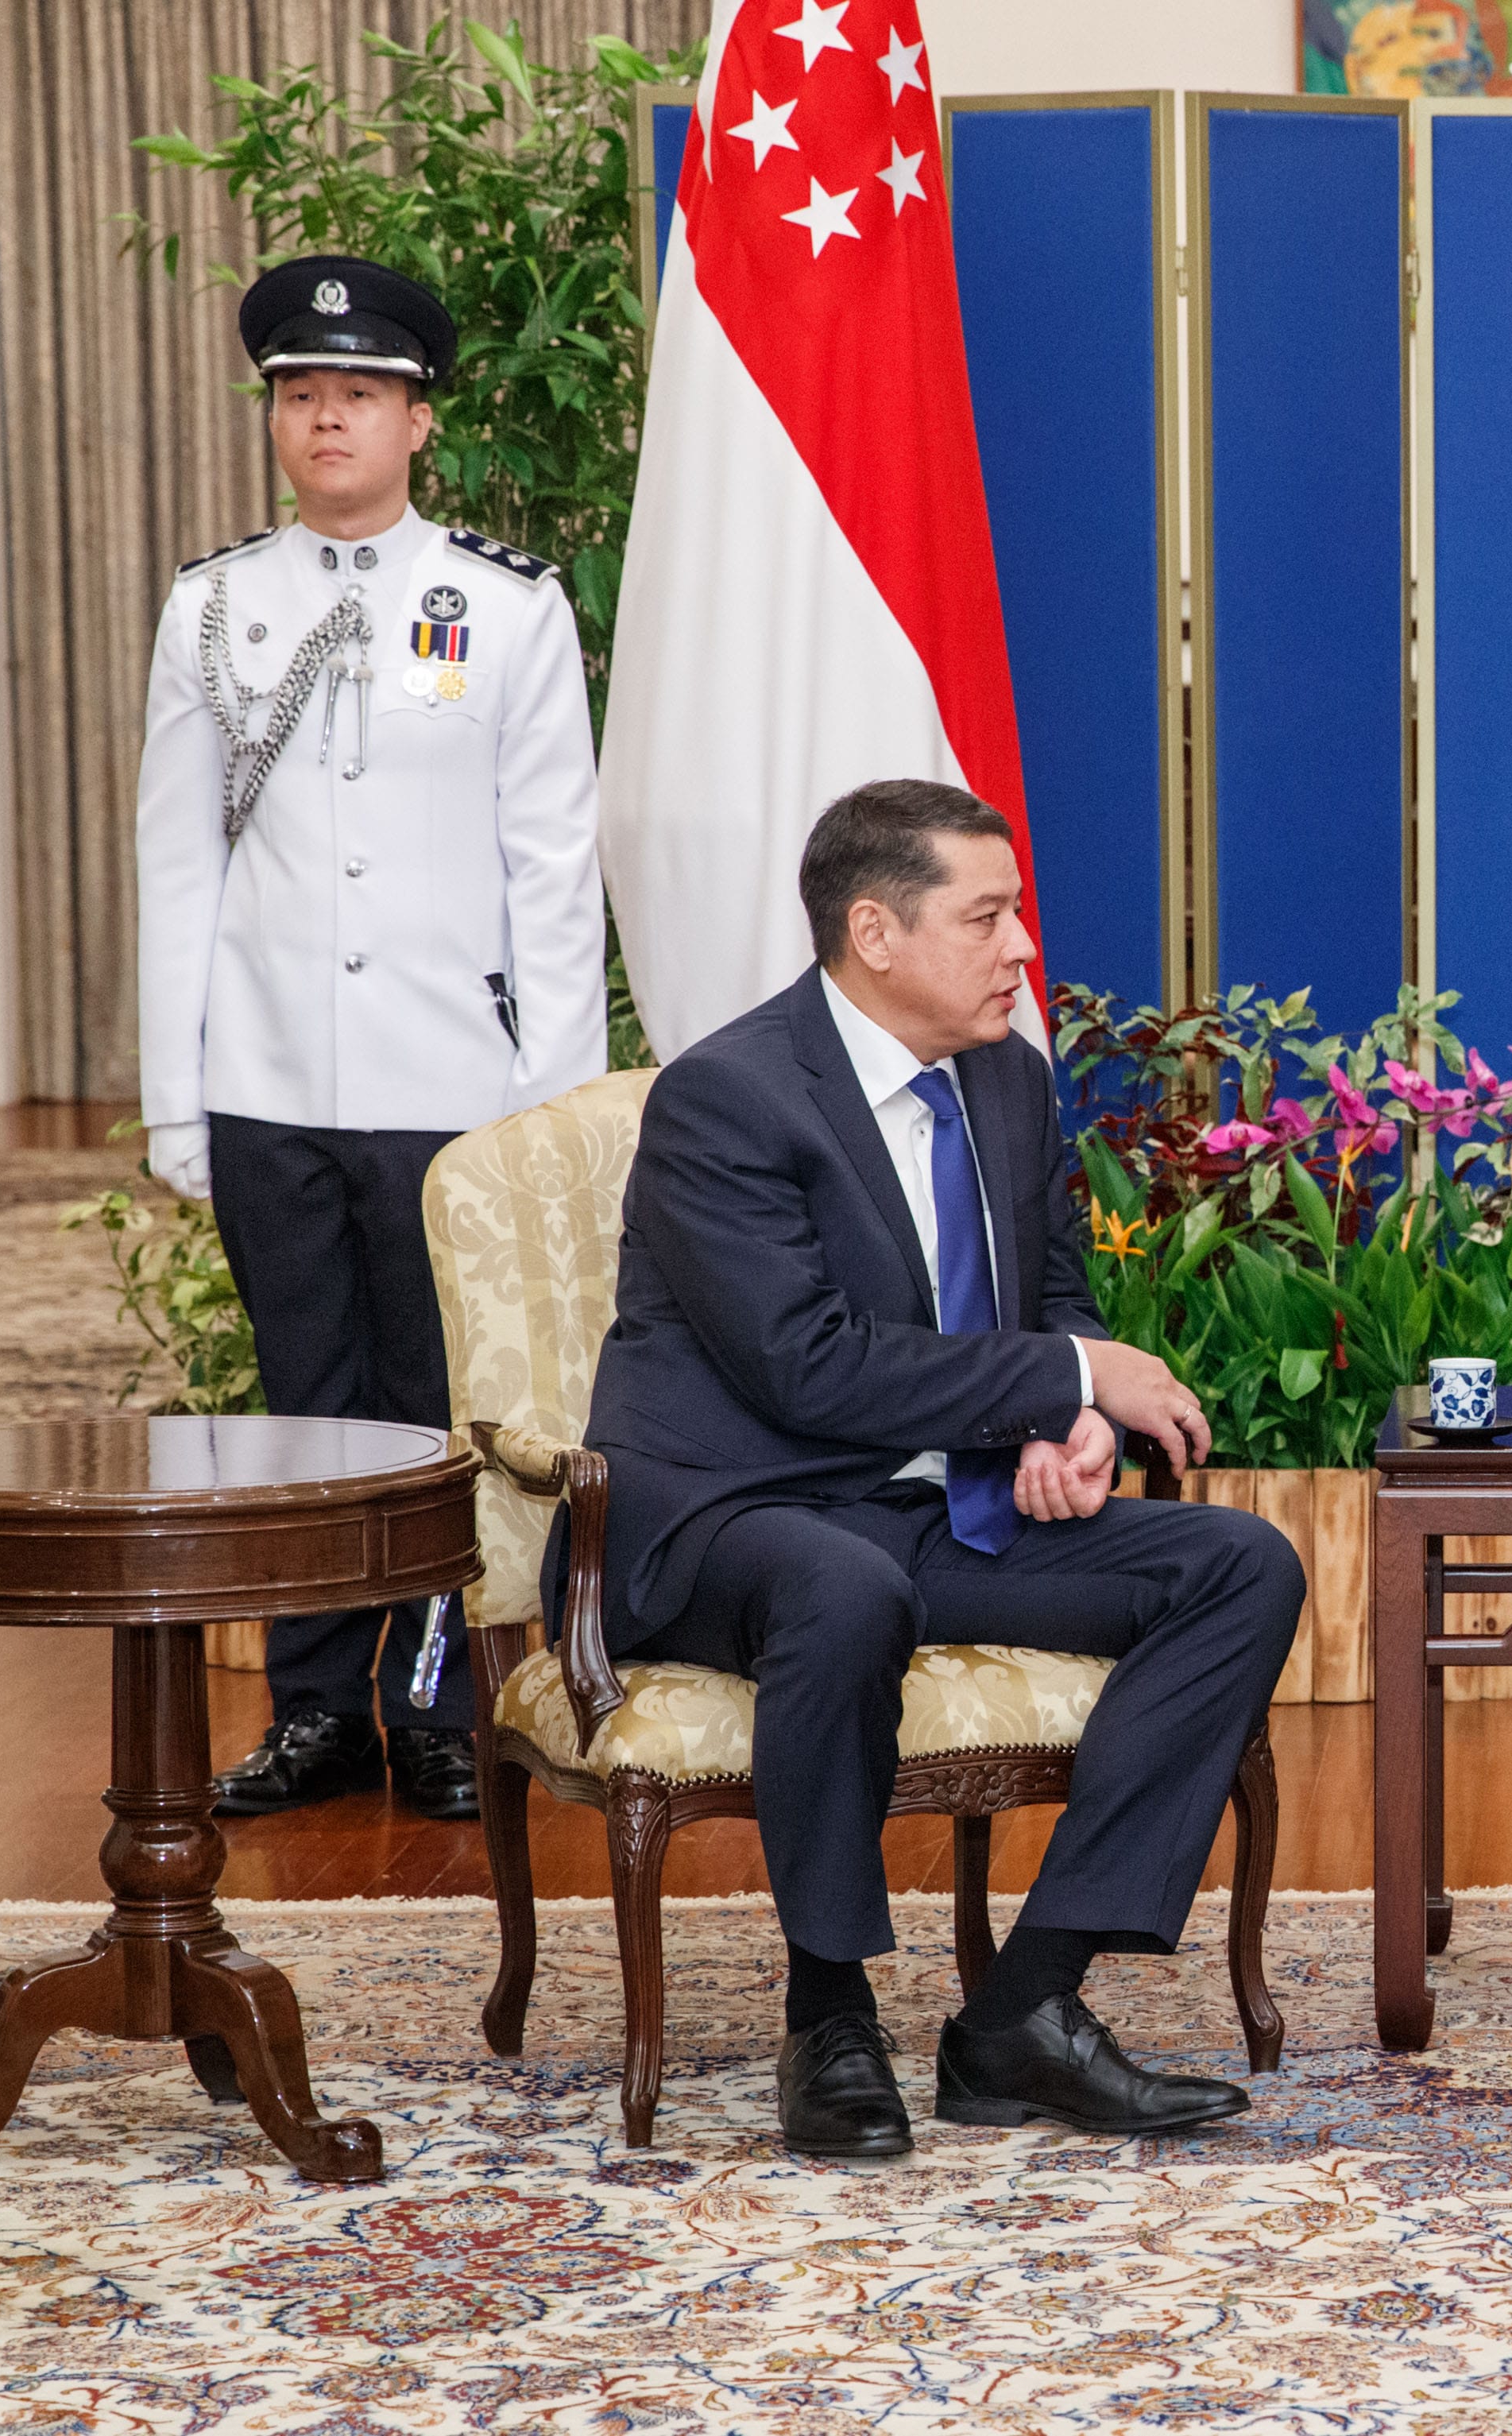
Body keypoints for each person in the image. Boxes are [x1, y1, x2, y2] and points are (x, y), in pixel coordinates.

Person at [559, 778, 1303, 2160]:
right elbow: (807, 1369)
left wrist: (1069, 1421)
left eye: (1017, 914)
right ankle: (828, 2013)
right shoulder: (729, 1098)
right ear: (875, 932)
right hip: (735, 1513)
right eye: (988, 916)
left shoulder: (1008, 1078)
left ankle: (1024, 2008)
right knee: (840, 1588)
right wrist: (1072, 1377)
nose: (1022, 948)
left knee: (1238, 1566)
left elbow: (1055, 1297)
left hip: (931, 1508)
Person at [137, 255, 607, 1822]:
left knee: (432, 1410)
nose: (324, 417)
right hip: (269, 1079)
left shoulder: (508, 605)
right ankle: (318, 1711)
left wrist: (544, 1106)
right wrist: (179, 1095)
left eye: (357, 393)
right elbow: (177, 861)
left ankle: (438, 1710)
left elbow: (554, 868)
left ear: (418, 420)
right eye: (298, 393)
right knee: (300, 1407)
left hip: (448, 1085)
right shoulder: (214, 605)